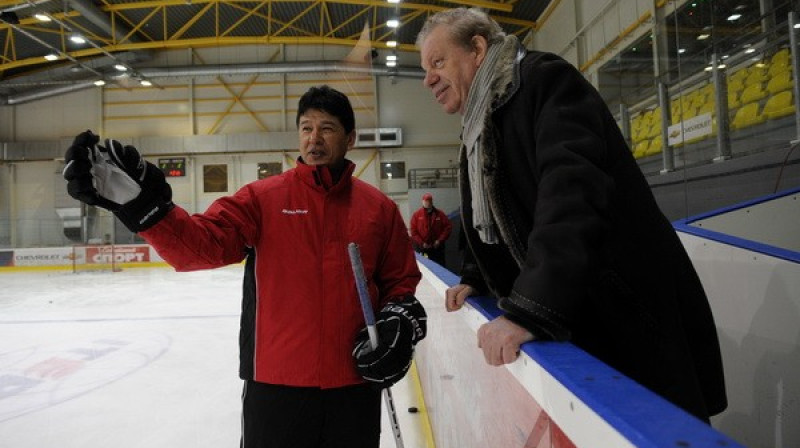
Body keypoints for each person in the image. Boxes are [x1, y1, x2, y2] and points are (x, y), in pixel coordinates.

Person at [62, 85, 427, 448]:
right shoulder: (262, 199)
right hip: (275, 386)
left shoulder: (378, 210)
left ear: (350, 138)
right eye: (306, 128)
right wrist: (142, 206)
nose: (314, 139)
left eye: (327, 128)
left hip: (354, 384)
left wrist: (398, 321)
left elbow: (400, 282)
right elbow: (198, 246)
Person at [416, 8, 727, 422]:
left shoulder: (544, 81)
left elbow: (571, 195)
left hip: (624, 312)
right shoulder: (480, 124)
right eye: (425, 68)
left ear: (477, 48)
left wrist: (531, 308)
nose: (428, 79)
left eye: (438, 62)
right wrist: (477, 276)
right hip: (581, 311)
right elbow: (498, 212)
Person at [409, 192, 452, 265]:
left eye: (429, 201)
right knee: (426, 267)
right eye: (426, 201)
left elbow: (448, 227)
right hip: (423, 249)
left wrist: (439, 240)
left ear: (432, 201)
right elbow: (413, 232)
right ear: (422, 202)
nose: (428, 203)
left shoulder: (440, 214)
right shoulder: (416, 215)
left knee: (439, 267)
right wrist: (422, 243)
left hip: (437, 249)